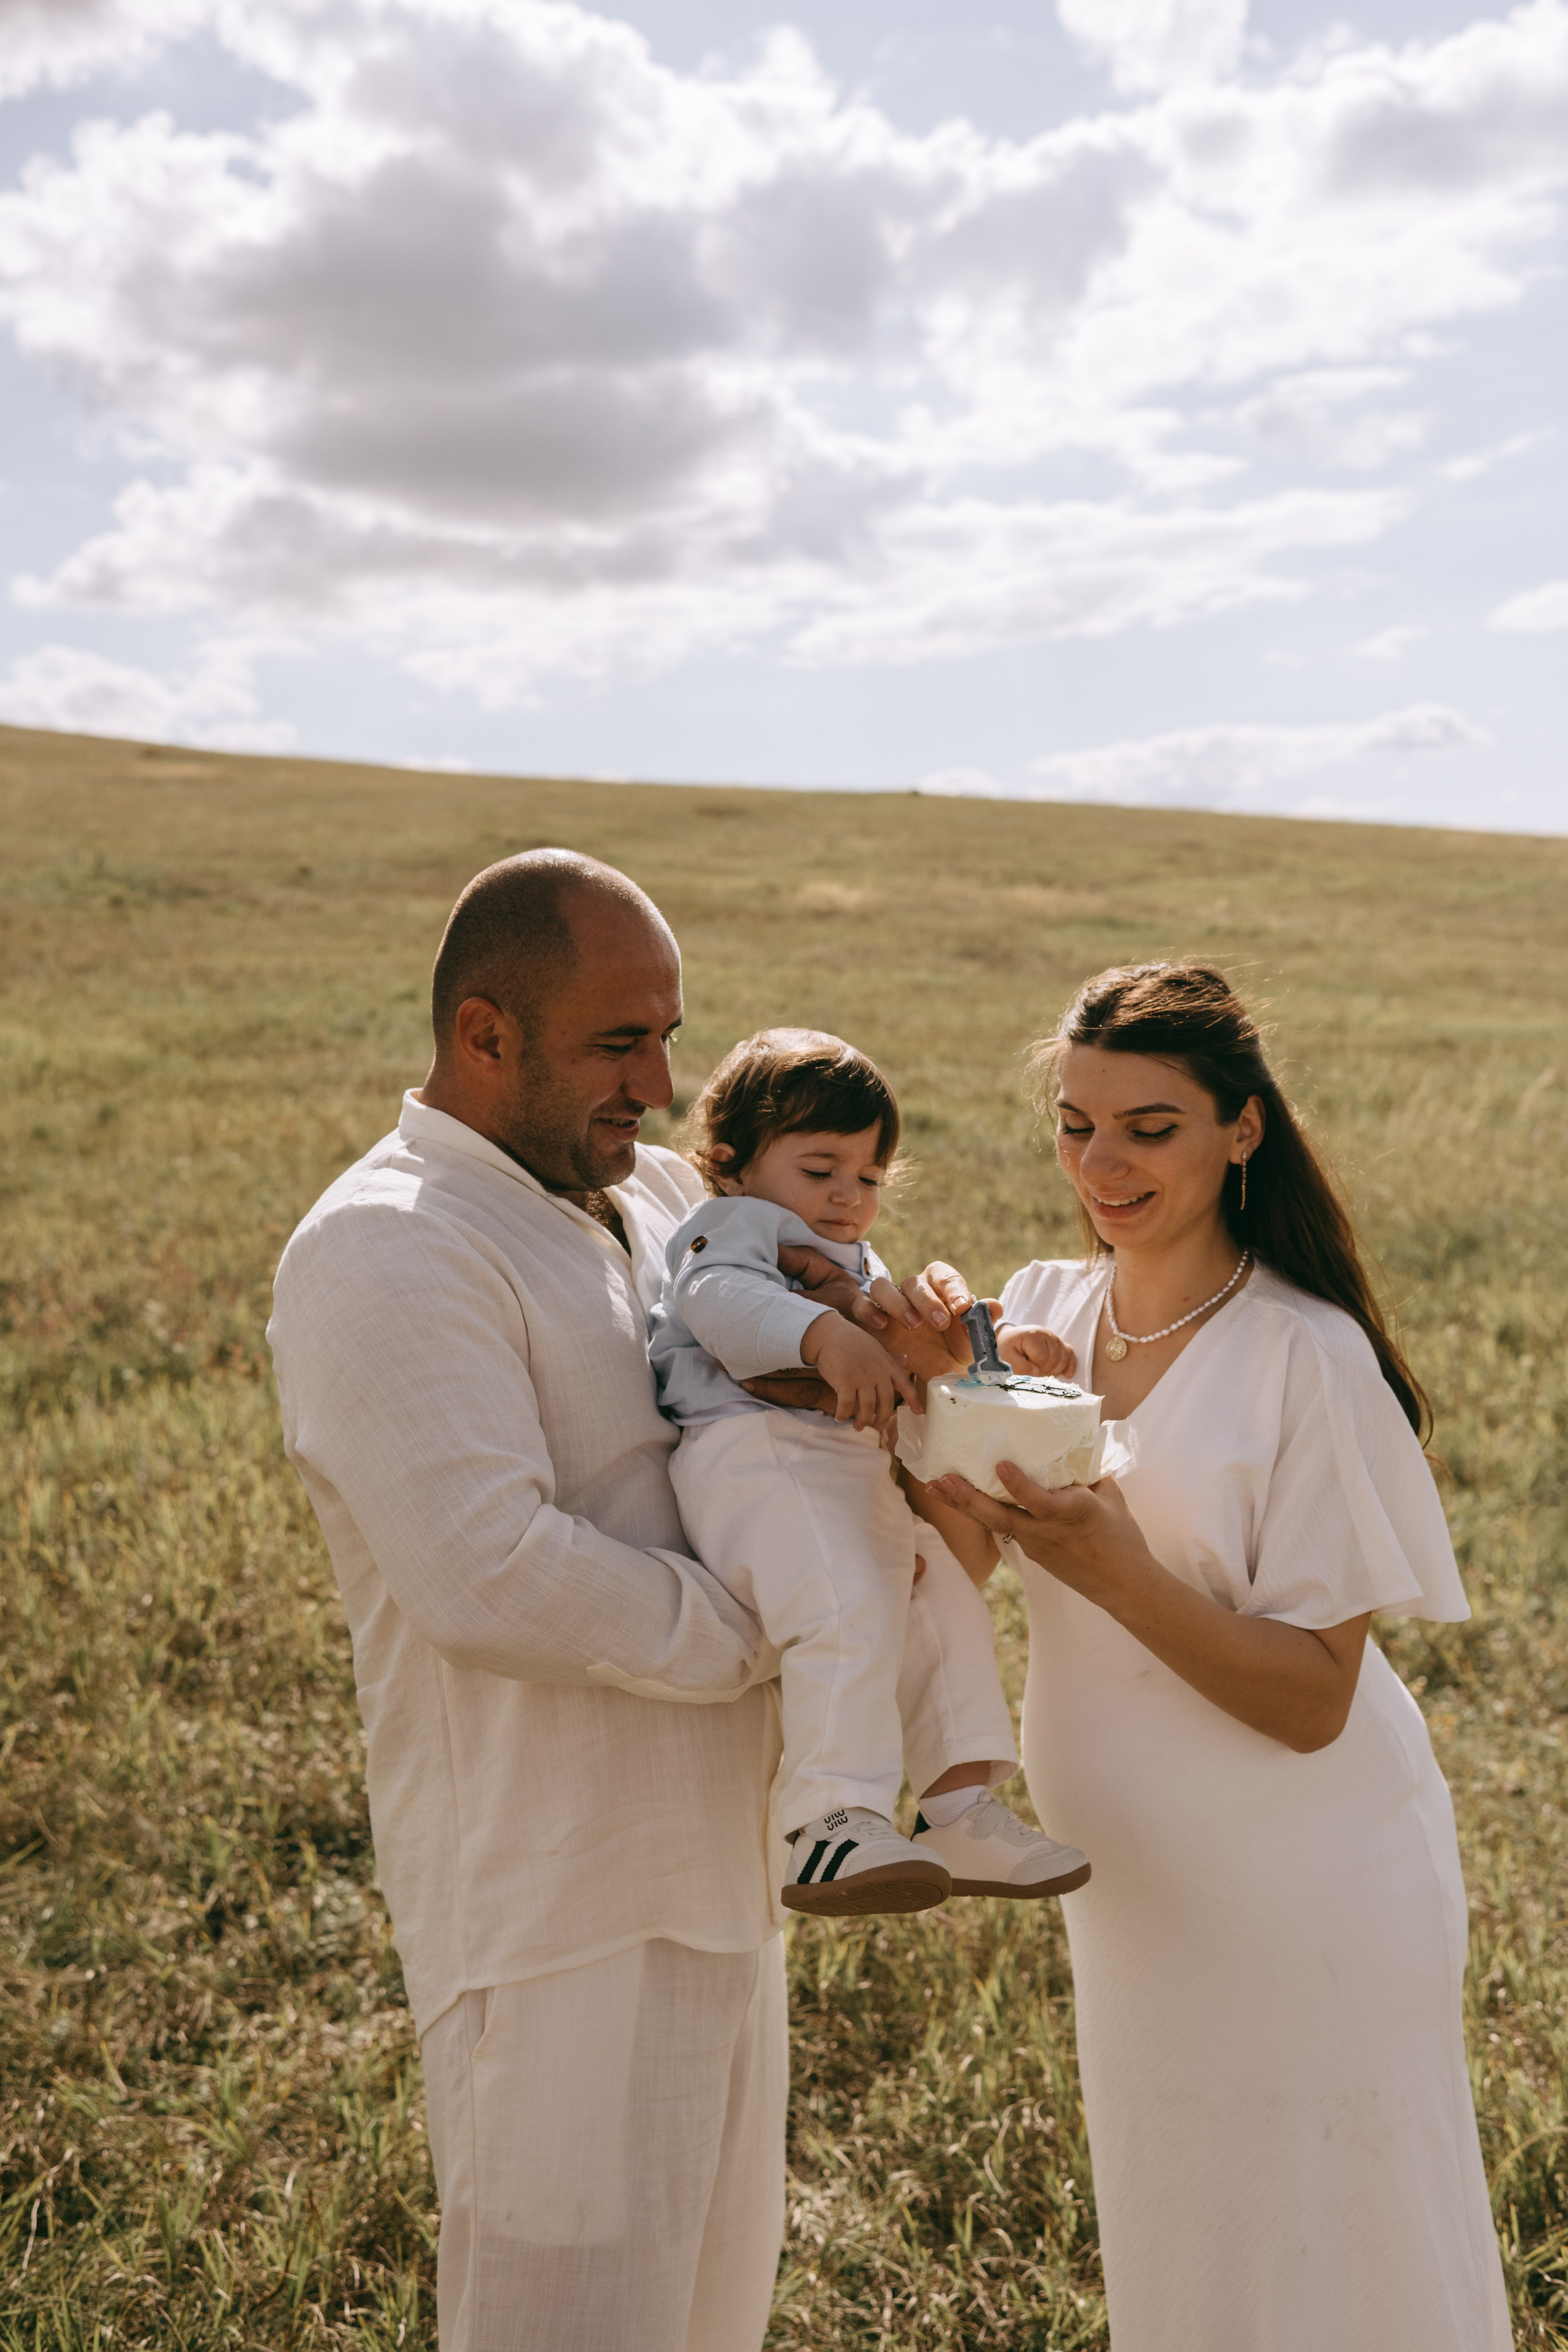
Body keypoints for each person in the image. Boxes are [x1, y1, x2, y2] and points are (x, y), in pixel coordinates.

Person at [919, 962, 1512, 2352]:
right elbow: (957, 1561)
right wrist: (921, 1410)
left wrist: (1118, 1573)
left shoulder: (1306, 1355)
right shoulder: (1038, 1311)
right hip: (1128, 1884)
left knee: (1333, 2253)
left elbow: (1312, 1701)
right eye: (1075, 1126)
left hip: (1306, 1884)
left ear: (1241, 1129)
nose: (1101, 1166)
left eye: (1149, 1128)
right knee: (1188, 2237)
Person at [268, 853, 795, 2352]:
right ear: (484, 1034)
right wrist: (772, 1631)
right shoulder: (385, 1242)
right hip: (556, 1913)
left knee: (713, 2321)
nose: (662, 1084)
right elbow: (486, 1573)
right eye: (619, 1043)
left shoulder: (663, 1194)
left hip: (725, 1877)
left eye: (668, 1036)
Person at [649, 1026, 1090, 1915]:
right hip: (755, 1456)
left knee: (942, 1604)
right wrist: (823, 1334)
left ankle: (957, 1807)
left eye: (871, 1177)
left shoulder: (851, 1256)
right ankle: (828, 1824)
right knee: (845, 1607)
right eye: (820, 1170)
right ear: (730, 1165)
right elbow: (718, 1298)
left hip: (844, 1469)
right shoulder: (733, 1227)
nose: (849, 1196)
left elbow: (902, 1337)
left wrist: (993, 1345)